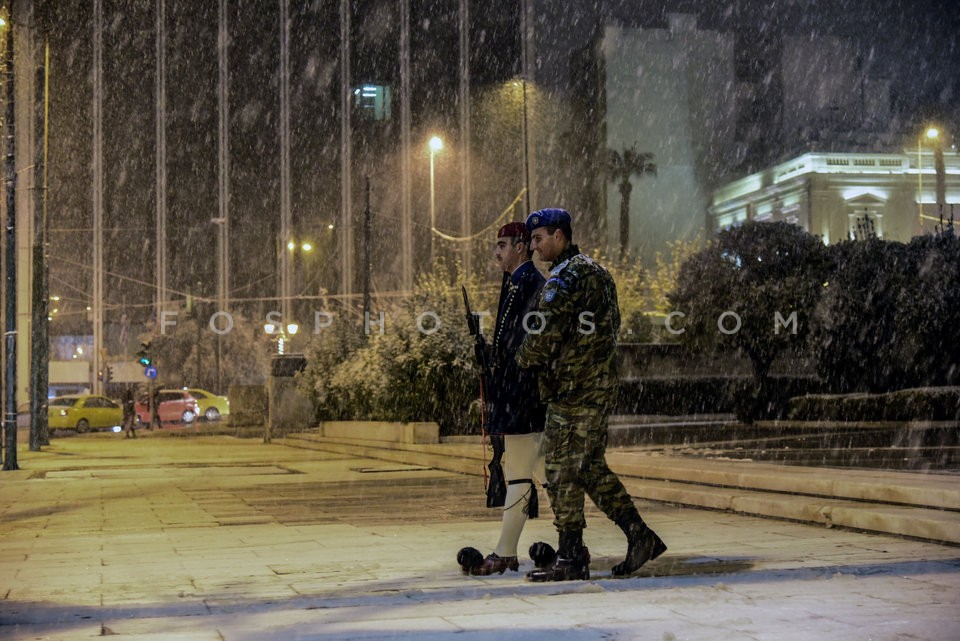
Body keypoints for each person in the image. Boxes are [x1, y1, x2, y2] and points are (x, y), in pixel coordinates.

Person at [516, 208, 666, 581]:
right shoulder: (597, 272)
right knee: (589, 467)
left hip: (572, 390)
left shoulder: (563, 278)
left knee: (562, 470)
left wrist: (520, 359)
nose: (534, 248)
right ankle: (639, 535)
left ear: (559, 236)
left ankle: (570, 557)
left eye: (539, 239)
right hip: (597, 385)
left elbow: (545, 337)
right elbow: (609, 326)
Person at [461, 222, 547, 576]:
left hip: (522, 394)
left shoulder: (530, 283)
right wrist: (489, 353)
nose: (496, 252)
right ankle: (574, 544)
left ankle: (506, 553)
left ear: (521, 247)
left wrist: (501, 363)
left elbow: (527, 343)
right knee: (547, 473)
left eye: (502, 245)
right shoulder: (515, 282)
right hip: (516, 392)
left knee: (519, 474)